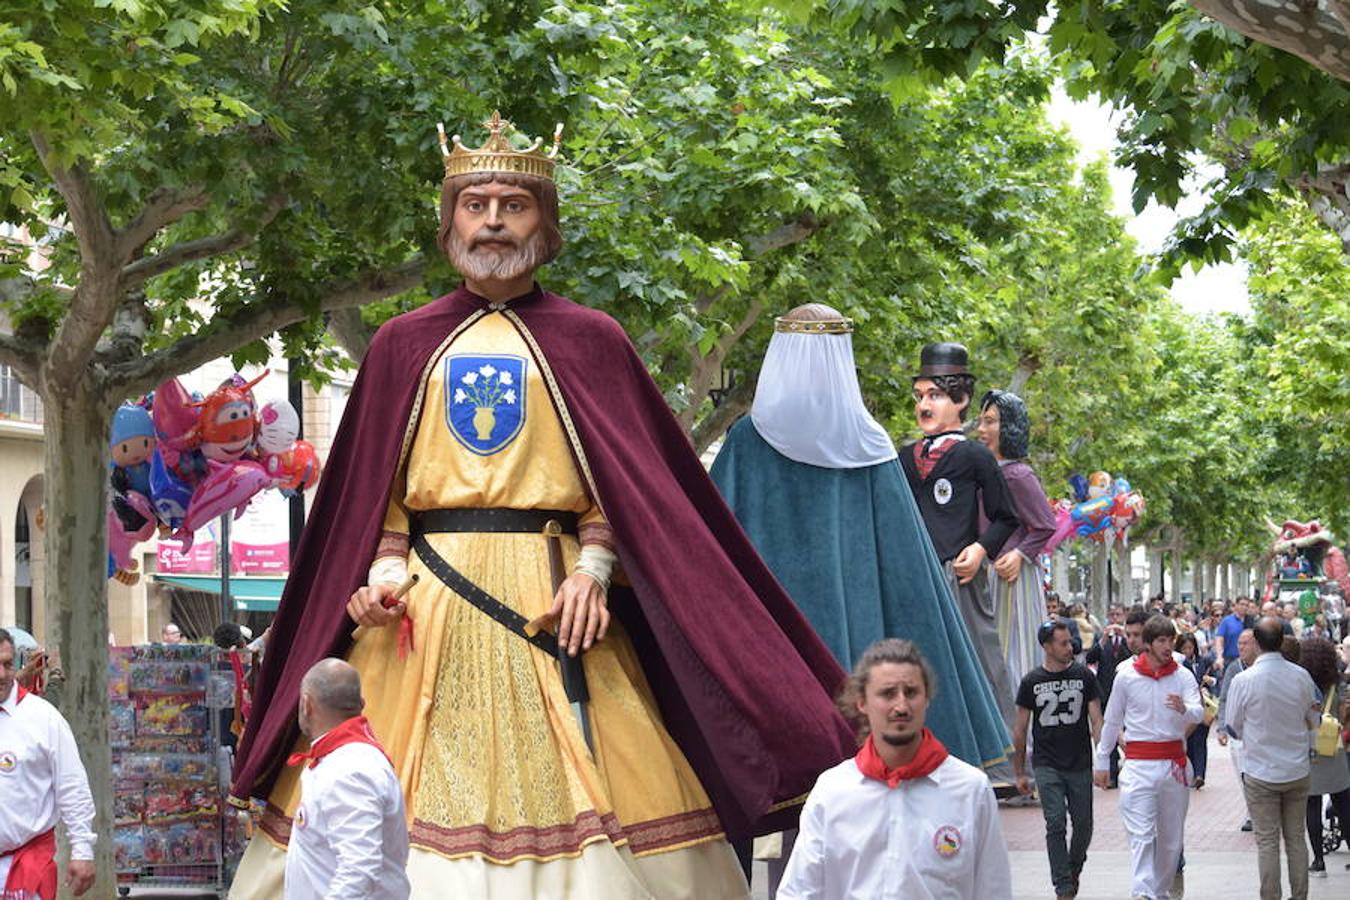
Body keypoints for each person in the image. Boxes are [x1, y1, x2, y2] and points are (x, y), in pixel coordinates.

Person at [228, 111, 856, 899]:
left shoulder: (593, 340)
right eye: (476, 204)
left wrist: (594, 573)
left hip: (557, 599)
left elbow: (627, 491)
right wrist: (382, 582)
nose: (493, 222)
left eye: (514, 205)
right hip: (426, 611)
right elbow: (379, 503)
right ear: (449, 217)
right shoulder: (400, 344)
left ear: (545, 222)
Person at [708, 305, 1011, 893]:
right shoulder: (869, 449)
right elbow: (910, 578)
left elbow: (707, 547)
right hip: (857, 675)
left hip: (763, 665)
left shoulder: (746, 444)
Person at [777, 639, 1012, 899]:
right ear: (861, 703)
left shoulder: (970, 789)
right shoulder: (832, 791)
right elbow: (799, 892)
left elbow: (994, 889)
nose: (901, 706)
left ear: (927, 699)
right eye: (887, 694)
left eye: (911, 692)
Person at [898, 343, 1020, 731]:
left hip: (958, 572)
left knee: (981, 656)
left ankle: (1002, 750)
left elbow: (1006, 516)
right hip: (914, 574)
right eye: (919, 396)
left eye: (934, 395)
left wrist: (980, 549)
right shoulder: (901, 457)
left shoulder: (975, 456)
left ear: (961, 399)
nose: (923, 405)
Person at [1093, 614, 1203, 900]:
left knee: (1170, 839)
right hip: (1139, 764)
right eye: (1162, 641)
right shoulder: (1126, 676)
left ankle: (1159, 890)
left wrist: (1185, 710)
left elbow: (1199, 712)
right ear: (1149, 644)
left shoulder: (1182, 675)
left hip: (1174, 765)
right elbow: (1113, 720)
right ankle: (1142, 891)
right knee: (1140, 832)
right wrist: (1102, 760)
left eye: (1171, 640)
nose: (1168, 647)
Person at [283, 659, 410, 900]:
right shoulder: (345, 759)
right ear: (361, 704)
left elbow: (358, 869)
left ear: (306, 704)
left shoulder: (348, 770)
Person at [1224, 617, 1320, 900]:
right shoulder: (1301, 676)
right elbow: (1313, 718)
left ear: (1255, 641)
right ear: (1282, 640)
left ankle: (1271, 896)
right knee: (1295, 838)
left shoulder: (1243, 680)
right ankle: (1299, 895)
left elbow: (1234, 725)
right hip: (1297, 769)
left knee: (1266, 841)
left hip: (1260, 770)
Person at [0, 628, 96, 898]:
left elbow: (72, 786)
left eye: (7, 664)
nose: (2, 674)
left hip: (25, 867)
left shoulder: (43, 717)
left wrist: (83, 850)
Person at [1013, 620, 1102, 900]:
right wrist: (1019, 772)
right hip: (1046, 762)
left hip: (1080, 761)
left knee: (1084, 824)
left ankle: (1073, 868)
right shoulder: (1031, 682)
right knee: (1055, 823)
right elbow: (1020, 728)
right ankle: (1062, 885)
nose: (1070, 647)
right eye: (1063, 643)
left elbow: (1096, 720)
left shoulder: (1085, 677)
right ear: (1047, 646)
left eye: (1070, 642)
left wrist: (1104, 760)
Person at [974, 390, 1056, 690]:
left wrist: (1020, 554)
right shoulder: (985, 471)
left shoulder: (1018, 475)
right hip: (986, 571)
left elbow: (1045, 525)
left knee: (1013, 652)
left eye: (990, 422)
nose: (981, 430)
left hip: (1011, 578)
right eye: (981, 421)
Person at [1294, 637, 1350, 877]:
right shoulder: (1339, 685)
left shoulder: (1300, 684)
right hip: (1333, 748)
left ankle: (1318, 860)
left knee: (1312, 805)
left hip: (1310, 748)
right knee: (1343, 804)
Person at [1085, 605, 1135, 788]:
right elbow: (1090, 658)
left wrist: (1126, 638)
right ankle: (1112, 773)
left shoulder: (1130, 640)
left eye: (1118, 614)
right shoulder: (1102, 639)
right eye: (1112, 614)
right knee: (1110, 730)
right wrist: (1103, 640)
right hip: (1106, 691)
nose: (1114, 618)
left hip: (1128, 693)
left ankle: (1129, 767)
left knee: (1127, 730)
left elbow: (1135, 657)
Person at [1216, 627, 1258, 832]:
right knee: (1243, 774)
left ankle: (1258, 812)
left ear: (1256, 644)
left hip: (1259, 730)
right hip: (1238, 732)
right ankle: (1251, 813)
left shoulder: (1262, 667)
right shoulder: (1234, 668)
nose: (1241, 647)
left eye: (1245, 643)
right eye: (1239, 643)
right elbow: (1224, 698)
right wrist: (1222, 728)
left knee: (1256, 774)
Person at [1175, 633, 1214, 789]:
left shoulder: (1202, 661)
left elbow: (1214, 676)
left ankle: (1199, 774)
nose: (1187, 651)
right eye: (1184, 648)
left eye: (1190, 648)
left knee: (1200, 740)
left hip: (1202, 705)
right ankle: (1191, 774)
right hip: (1185, 708)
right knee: (1190, 740)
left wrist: (1210, 682)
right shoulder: (1178, 665)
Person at [1213, 598, 1248, 670]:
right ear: (1236, 605)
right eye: (1242, 604)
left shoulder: (1251, 621)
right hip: (1230, 660)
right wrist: (1219, 657)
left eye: (1246, 605)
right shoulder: (1227, 621)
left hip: (1247, 660)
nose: (1244, 607)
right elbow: (1219, 639)